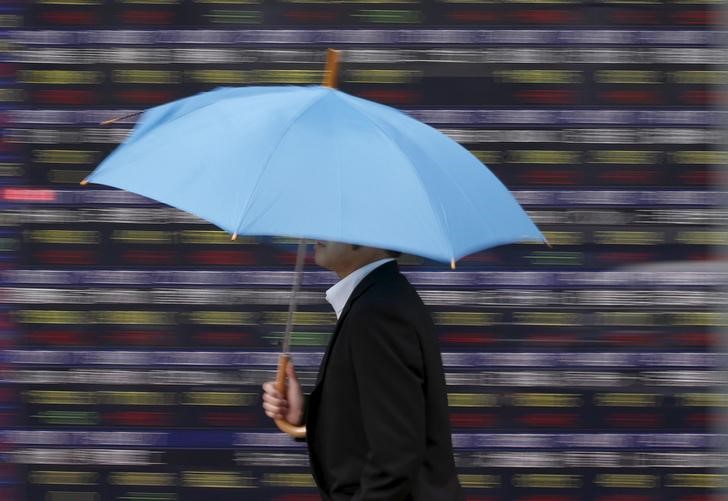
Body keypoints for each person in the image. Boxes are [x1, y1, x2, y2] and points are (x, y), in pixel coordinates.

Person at [262, 241, 464, 500]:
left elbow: (395, 454)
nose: (319, 233)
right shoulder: (379, 299)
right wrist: (306, 413)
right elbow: (375, 423)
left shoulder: (377, 311)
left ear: (374, 239)